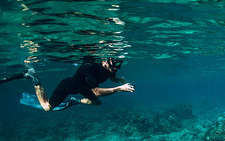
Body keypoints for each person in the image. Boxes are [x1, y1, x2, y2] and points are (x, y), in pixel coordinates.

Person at [2, 58, 135, 111]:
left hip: (83, 89)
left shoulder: (110, 69)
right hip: (68, 86)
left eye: (117, 67)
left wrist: (118, 80)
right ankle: (33, 78)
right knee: (47, 108)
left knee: (97, 103)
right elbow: (96, 91)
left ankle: (74, 101)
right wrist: (119, 88)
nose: (115, 69)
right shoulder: (90, 68)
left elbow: (112, 77)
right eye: (113, 66)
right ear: (105, 61)